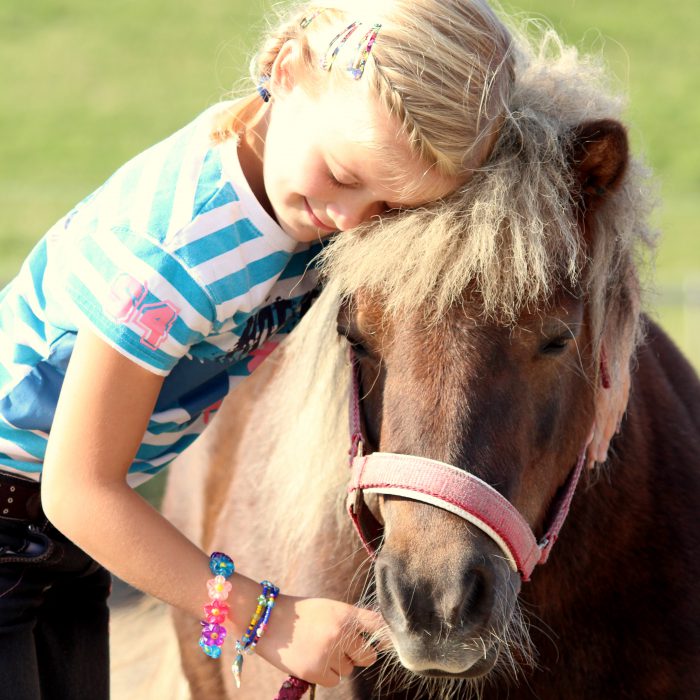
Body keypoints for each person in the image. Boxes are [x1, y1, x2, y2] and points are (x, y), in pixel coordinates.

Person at [0, 1, 623, 697]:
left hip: (68, 552)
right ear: (287, 67)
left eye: (389, 209)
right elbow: (78, 490)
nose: (350, 222)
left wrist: (611, 360)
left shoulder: (312, 173)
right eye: (346, 177)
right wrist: (265, 620)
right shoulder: (179, 257)